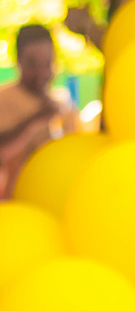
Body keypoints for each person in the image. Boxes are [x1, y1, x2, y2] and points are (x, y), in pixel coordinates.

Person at [0, 23, 79, 199]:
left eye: (48, 62)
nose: (42, 71)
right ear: (18, 60)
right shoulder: (3, 99)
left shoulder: (63, 104)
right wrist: (34, 121)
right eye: (32, 63)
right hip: (13, 208)